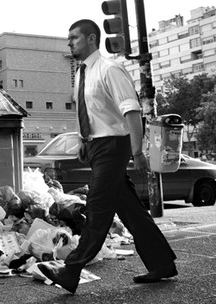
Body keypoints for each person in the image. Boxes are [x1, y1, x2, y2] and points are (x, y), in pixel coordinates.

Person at [37, 19, 177, 294]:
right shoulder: (82, 74)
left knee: (98, 210)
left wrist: (138, 152)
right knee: (131, 211)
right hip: (97, 146)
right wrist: (82, 140)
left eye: (74, 38)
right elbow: (89, 111)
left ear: (91, 39)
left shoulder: (110, 69)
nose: (69, 43)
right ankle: (162, 264)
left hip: (114, 146)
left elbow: (132, 112)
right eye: (68, 39)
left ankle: (71, 270)